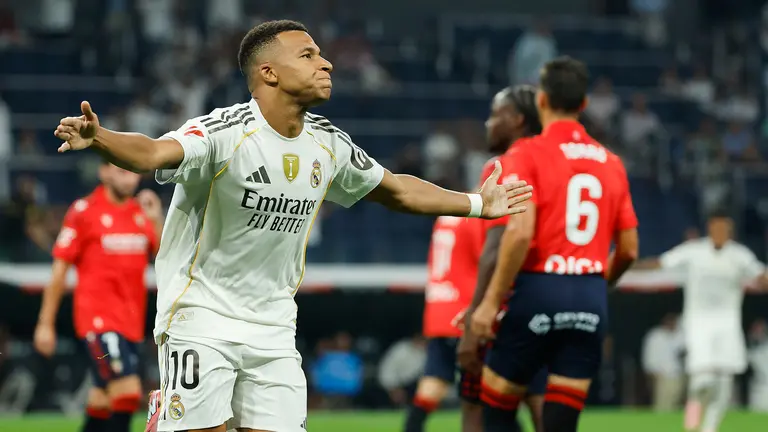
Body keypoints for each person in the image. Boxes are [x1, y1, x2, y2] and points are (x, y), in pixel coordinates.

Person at [53, 20, 533, 432]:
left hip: (275, 328)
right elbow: (154, 152)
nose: (326, 64)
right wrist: (101, 138)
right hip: (200, 318)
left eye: (321, 55)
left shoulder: (329, 144)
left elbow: (397, 189)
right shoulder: (225, 132)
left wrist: (477, 203)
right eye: (308, 55)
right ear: (269, 73)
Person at [468, 56, 640, 432]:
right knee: (561, 423)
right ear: (584, 103)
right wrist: (599, 284)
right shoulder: (611, 162)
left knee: (496, 409)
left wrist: (490, 304)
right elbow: (629, 249)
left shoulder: (525, 154)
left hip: (538, 290)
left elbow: (520, 232)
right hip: (590, 297)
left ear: (542, 100)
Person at [33, 160, 162, 432]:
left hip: (131, 324)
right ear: (103, 172)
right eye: (121, 171)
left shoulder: (140, 213)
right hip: (98, 321)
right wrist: (45, 324)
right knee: (127, 393)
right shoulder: (84, 211)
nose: (129, 179)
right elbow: (59, 271)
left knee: (102, 401)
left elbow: (163, 256)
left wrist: (156, 219)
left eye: (133, 172)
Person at [635, 210, 768, 432]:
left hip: (728, 323)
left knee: (725, 379)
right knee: (703, 379)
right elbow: (660, 263)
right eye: (717, 227)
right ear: (710, 229)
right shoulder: (694, 251)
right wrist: (626, 264)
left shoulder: (739, 255)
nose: (720, 232)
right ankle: (694, 404)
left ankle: (709, 428)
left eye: (725, 228)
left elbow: (760, 276)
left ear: (730, 231)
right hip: (699, 322)